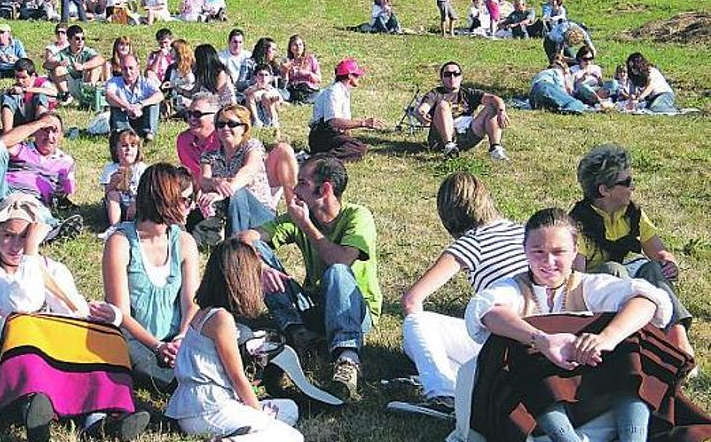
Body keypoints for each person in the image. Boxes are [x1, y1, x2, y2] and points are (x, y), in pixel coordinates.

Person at [0, 193, 149, 442]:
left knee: (107, 338)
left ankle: (99, 420)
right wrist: (30, 252)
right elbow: (23, 303)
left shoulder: (51, 268)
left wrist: (109, 316)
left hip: (38, 354)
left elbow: (74, 313)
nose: (16, 245)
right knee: (24, 326)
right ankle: (32, 408)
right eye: (8, 235)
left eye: (25, 236)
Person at [458, 208, 676, 442]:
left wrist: (606, 339)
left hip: (590, 388)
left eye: (558, 252)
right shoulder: (514, 287)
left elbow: (648, 300)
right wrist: (541, 340)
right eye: (538, 252)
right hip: (532, 400)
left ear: (574, 252)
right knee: (511, 343)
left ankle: (633, 438)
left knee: (634, 338)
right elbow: (487, 310)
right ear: (525, 252)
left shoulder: (588, 285)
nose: (548, 262)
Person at [239, 154, 380, 401]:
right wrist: (260, 266)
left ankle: (347, 359)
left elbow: (341, 260)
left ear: (324, 189)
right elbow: (244, 238)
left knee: (337, 272)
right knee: (256, 251)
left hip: (354, 311)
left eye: (302, 183)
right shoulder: (299, 216)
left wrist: (306, 226)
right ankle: (300, 335)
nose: (294, 189)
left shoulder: (358, 216)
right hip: (314, 306)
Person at [400, 172, 527, 419]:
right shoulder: (523, 232)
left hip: (504, 342)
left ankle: (444, 395)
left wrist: (415, 343)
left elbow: (412, 300)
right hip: (538, 338)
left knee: (417, 325)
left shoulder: (471, 243)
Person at [166, 239, 304, 442]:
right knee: (292, 437)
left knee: (289, 409)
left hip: (197, 405)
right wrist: (257, 411)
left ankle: (243, 432)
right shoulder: (221, 320)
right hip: (208, 410)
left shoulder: (204, 312)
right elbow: (237, 376)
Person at [570, 144, 695, 359]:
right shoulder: (578, 224)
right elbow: (575, 279)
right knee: (613, 269)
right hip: (601, 288)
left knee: (653, 269)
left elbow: (659, 251)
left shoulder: (633, 213)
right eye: (626, 183)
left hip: (633, 276)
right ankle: (631, 341)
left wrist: (668, 261)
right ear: (604, 190)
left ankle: (678, 338)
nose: (632, 188)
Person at [102, 163, 201, 389]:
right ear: (164, 200)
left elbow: (191, 303)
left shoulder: (185, 242)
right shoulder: (120, 243)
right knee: (125, 349)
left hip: (176, 337)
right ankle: (177, 381)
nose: (191, 206)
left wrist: (181, 338)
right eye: (185, 200)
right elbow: (121, 313)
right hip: (136, 337)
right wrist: (158, 346)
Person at [0, 113, 82, 240]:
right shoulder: (22, 149)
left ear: (61, 135)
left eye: (55, 131)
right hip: (6, 193)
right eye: (44, 131)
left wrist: (61, 192)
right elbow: (0, 143)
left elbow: (66, 192)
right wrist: (40, 123)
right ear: (35, 132)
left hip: (34, 199)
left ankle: (53, 230)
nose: (49, 136)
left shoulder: (66, 161)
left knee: (40, 213)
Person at [177, 93, 298, 207]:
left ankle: (294, 209)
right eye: (189, 114)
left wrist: (227, 190)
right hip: (214, 198)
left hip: (250, 196)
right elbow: (199, 179)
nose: (192, 118)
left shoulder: (247, 144)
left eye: (197, 114)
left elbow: (249, 171)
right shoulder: (185, 141)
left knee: (283, 150)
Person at [198, 104, 278, 236]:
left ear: (243, 128)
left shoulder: (252, 146)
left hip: (261, 215)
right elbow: (203, 180)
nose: (225, 128)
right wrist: (216, 182)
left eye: (232, 124)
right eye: (220, 124)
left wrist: (226, 191)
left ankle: (233, 246)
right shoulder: (209, 156)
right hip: (226, 213)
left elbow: (248, 171)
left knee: (238, 193)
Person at [414, 61, 510, 160]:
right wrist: (421, 113)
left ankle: (495, 148)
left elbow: (494, 99)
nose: (452, 77)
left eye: (456, 74)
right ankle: (449, 146)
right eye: (447, 75)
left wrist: (501, 111)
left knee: (492, 106)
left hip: (468, 134)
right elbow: (423, 108)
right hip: (441, 139)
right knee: (443, 104)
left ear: (461, 77)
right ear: (442, 78)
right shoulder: (435, 93)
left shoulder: (469, 93)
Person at [309, 58, 382, 163]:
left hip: (330, 133)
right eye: (356, 75)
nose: (358, 78)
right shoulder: (334, 91)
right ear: (349, 76)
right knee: (358, 148)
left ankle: (323, 157)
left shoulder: (342, 91)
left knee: (359, 147)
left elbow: (344, 125)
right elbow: (333, 121)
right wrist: (363, 123)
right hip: (322, 134)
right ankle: (319, 159)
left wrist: (349, 139)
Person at [105, 54, 164, 140]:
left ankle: (149, 133)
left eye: (131, 68)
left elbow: (159, 95)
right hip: (123, 116)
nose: (128, 72)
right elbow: (109, 96)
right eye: (124, 69)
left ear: (138, 67)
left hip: (141, 116)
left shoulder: (146, 82)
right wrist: (127, 107)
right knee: (115, 106)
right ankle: (123, 132)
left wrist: (141, 105)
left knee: (154, 103)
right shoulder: (113, 82)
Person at [44, 24, 105, 106]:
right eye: (77, 39)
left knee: (96, 67)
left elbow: (101, 59)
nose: (80, 41)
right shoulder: (63, 53)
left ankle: (90, 94)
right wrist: (58, 63)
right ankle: (66, 96)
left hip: (85, 81)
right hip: (70, 84)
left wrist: (83, 66)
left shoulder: (87, 51)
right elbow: (46, 65)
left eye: (83, 38)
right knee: (57, 69)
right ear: (69, 40)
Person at [99, 129, 147, 231]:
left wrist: (135, 202)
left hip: (137, 204)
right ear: (116, 150)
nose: (129, 149)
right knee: (112, 194)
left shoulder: (141, 168)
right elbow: (106, 192)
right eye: (124, 145)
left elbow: (146, 191)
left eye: (133, 146)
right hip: (117, 205)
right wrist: (113, 182)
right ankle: (114, 227)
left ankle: (135, 226)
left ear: (138, 150)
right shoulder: (110, 168)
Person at [0, 58, 58, 132]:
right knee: (7, 97)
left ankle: (40, 131)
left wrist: (25, 90)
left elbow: (54, 92)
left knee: (40, 96)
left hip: (38, 118)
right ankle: (7, 133)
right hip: (20, 122)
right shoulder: (16, 87)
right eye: (17, 77)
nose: (20, 81)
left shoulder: (42, 82)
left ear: (32, 75)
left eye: (24, 77)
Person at [280, 34, 321, 105]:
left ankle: (303, 100)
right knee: (279, 92)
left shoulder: (311, 59)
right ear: (290, 48)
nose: (298, 47)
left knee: (324, 93)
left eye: (300, 44)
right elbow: (284, 84)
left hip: (309, 91)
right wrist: (286, 71)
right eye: (295, 45)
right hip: (292, 91)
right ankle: (298, 100)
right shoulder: (287, 62)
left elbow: (318, 79)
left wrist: (307, 73)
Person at [244, 64, 284, 134]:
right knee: (250, 96)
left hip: (269, 113)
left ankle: (273, 122)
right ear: (256, 77)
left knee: (265, 96)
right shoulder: (252, 88)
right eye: (261, 75)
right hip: (256, 113)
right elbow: (245, 94)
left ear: (269, 78)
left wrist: (273, 100)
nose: (263, 78)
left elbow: (280, 101)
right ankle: (256, 121)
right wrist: (256, 89)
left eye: (266, 75)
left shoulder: (272, 89)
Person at [162, 39, 196, 114]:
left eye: (172, 49)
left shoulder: (194, 67)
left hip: (190, 99)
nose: (170, 52)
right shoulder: (171, 68)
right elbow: (164, 86)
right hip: (174, 100)